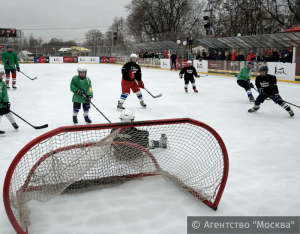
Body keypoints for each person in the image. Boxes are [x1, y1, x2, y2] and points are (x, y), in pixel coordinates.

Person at [0, 66, 19, 135]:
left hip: (2, 102)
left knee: (8, 113)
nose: (1, 75)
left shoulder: (3, 83)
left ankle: (14, 123)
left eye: (1, 74)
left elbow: (5, 94)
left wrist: (6, 102)